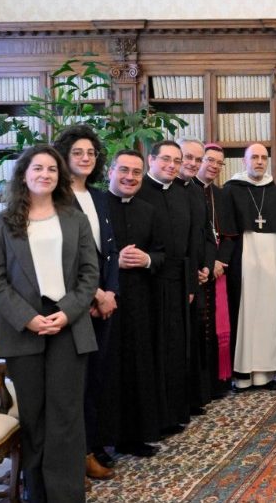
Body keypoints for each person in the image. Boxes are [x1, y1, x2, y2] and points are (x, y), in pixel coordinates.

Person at [0, 144, 99, 502]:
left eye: (52, 169)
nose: (45, 174)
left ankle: (66, 494)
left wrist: (67, 311)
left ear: (59, 176)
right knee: (34, 417)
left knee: (65, 417)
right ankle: (37, 493)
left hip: (69, 324)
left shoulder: (74, 219)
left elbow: (88, 274)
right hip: (24, 329)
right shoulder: (1, 222)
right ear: (23, 174)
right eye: (37, 168)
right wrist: (29, 319)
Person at [52, 125, 119, 480]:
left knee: (97, 380)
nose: (85, 158)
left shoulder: (99, 196)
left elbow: (109, 251)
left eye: (91, 153)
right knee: (75, 384)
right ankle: (80, 455)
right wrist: (94, 294)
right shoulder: (56, 198)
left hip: (104, 302)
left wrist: (110, 293)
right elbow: (68, 257)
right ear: (64, 156)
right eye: (78, 153)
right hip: (74, 303)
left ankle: (95, 447)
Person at [100, 150, 165, 459]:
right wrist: (115, 261)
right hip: (102, 302)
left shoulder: (149, 211)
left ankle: (133, 437)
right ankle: (100, 441)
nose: (129, 177)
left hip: (139, 300)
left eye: (136, 173)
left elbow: (164, 253)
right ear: (111, 171)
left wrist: (147, 258)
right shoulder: (95, 206)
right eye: (123, 170)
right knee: (106, 371)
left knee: (137, 368)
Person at [134, 140, 202, 434]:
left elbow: (190, 242)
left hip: (178, 281)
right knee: (154, 350)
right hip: (148, 283)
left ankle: (175, 412)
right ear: (151, 160)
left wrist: (189, 284)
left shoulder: (182, 193)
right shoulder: (138, 191)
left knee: (177, 349)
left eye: (177, 161)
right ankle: (154, 418)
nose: (172, 166)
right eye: (166, 160)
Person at [224, 143, 276, 391]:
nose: (259, 162)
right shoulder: (230, 190)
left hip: (273, 252)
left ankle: (266, 374)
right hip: (245, 252)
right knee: (246, 311)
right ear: (244, 161)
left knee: (270, 313)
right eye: (254, 157)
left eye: (263, 157)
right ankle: (242, 375)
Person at [194, 143, 237, 396]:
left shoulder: (222, 196)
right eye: (209, 160)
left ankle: (218, 382)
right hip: (198, 269)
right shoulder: (187, 190)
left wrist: (220, 262)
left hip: (218, 270)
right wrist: (206, 265)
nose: (213, 166)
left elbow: (230, 235)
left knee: (217, 324)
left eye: (219, 163)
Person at [177, 138, 215, 413]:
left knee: (193, 340)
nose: (192, 163)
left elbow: (206, 235)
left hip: (196, 277)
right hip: (174, 279)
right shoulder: (158, 190)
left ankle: (192, 399)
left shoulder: (195, 191)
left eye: (197, 160)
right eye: (186, 158)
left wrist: (205, 266)